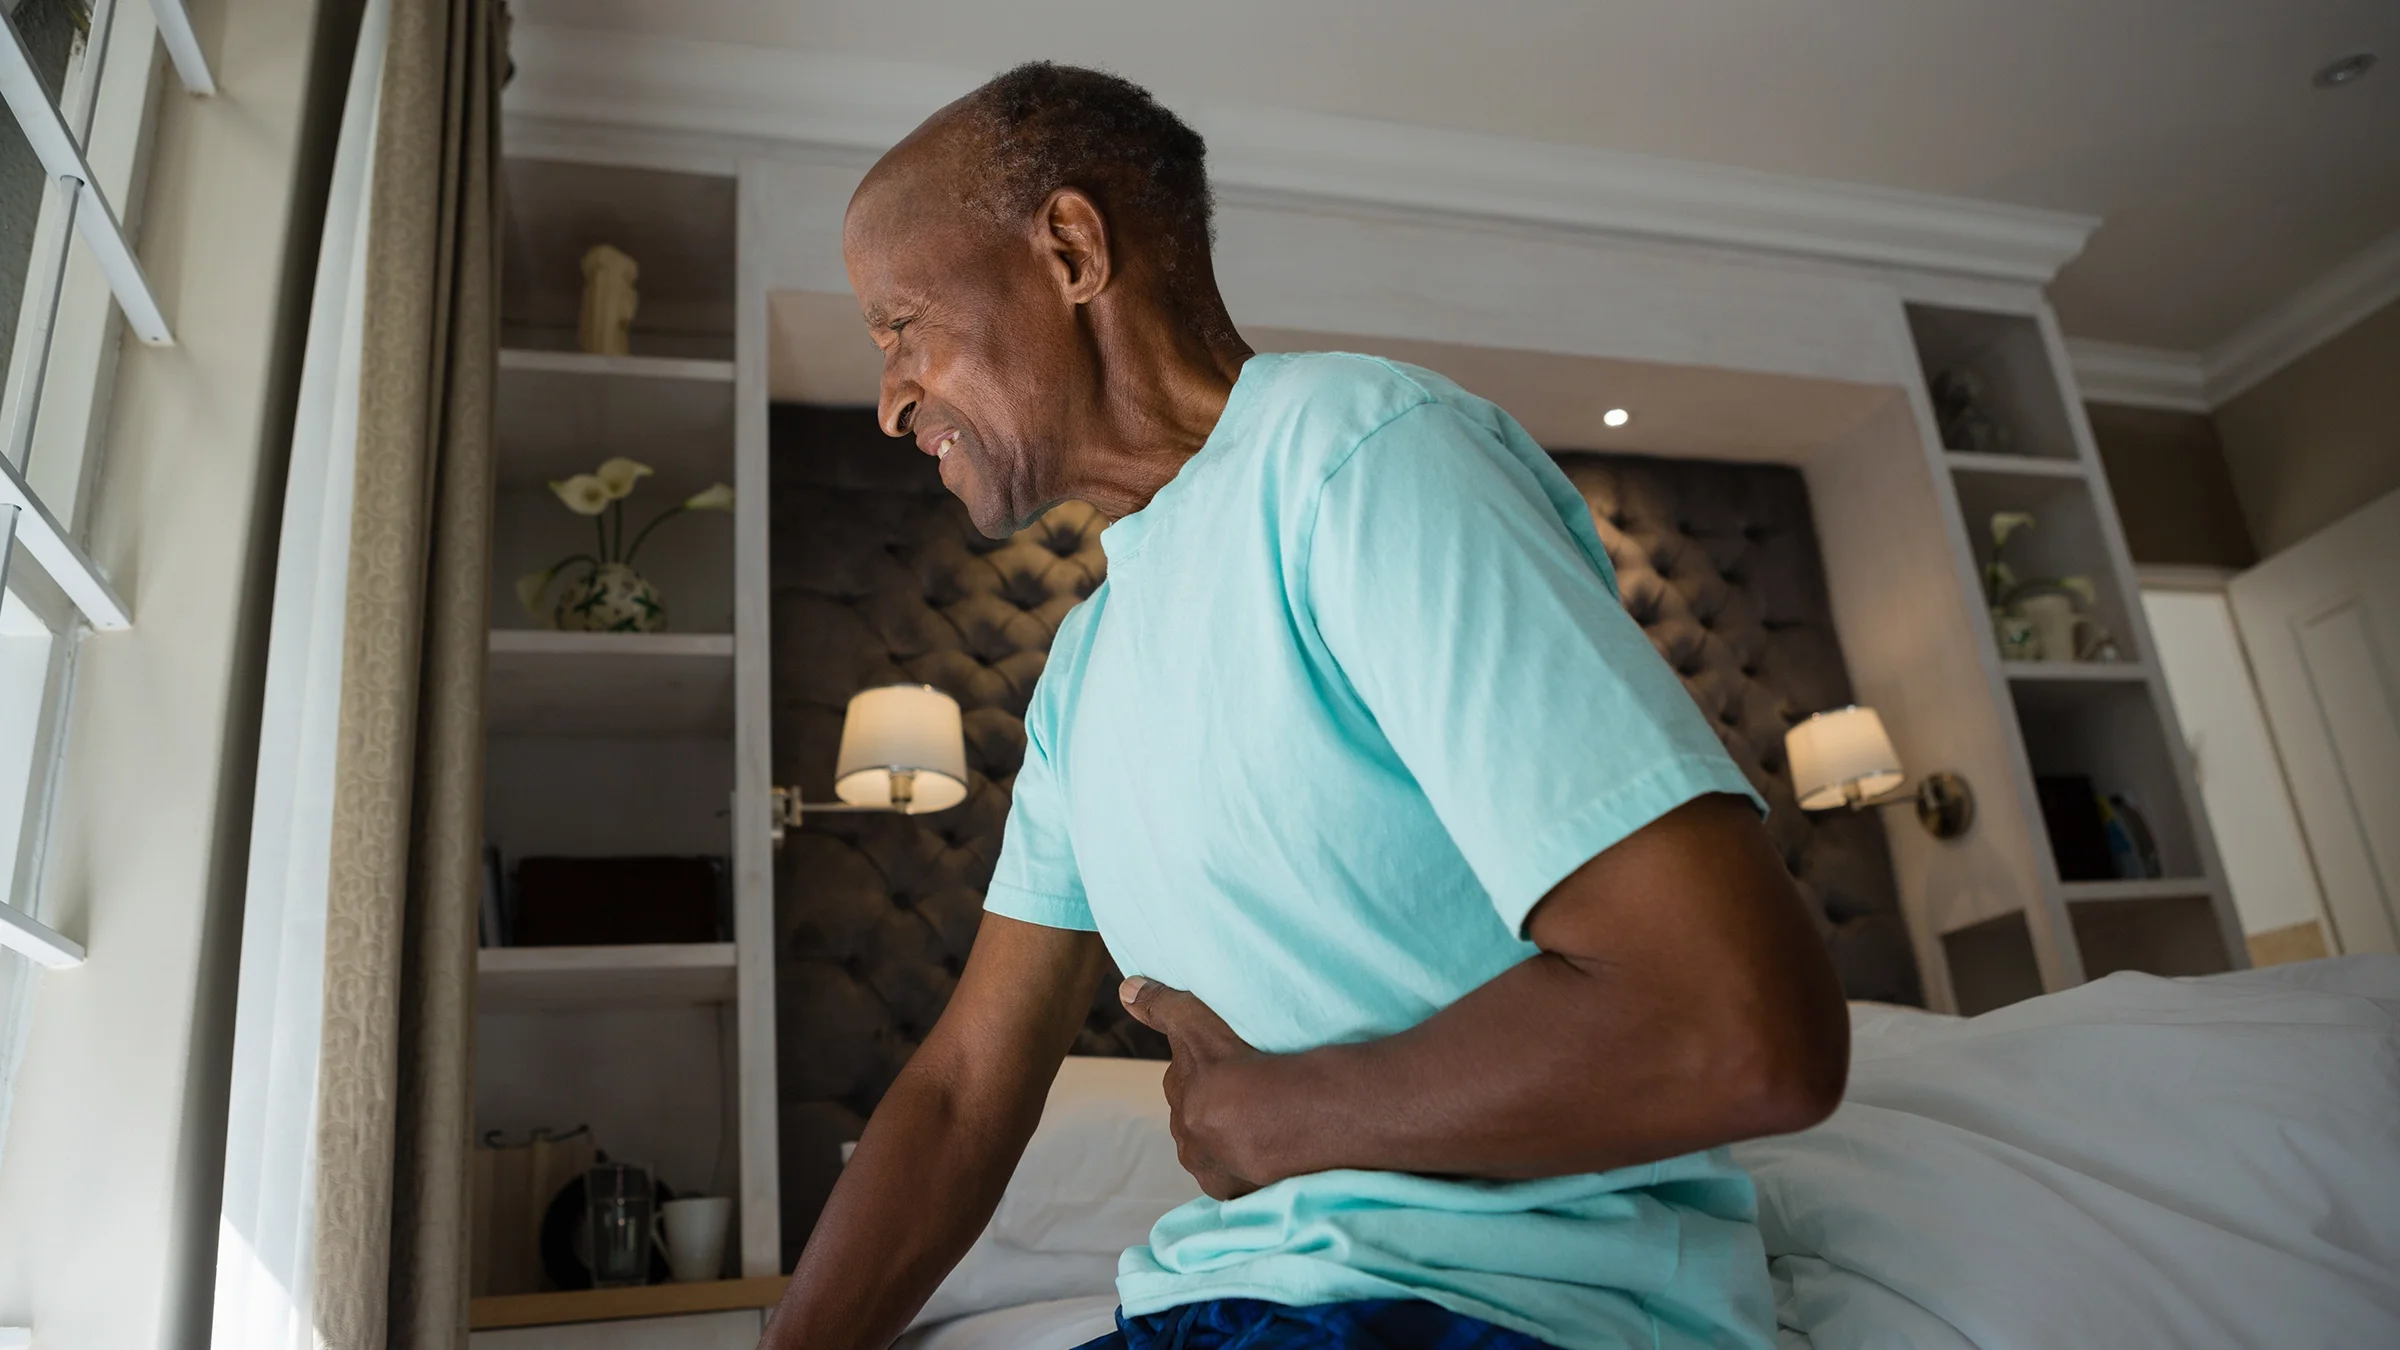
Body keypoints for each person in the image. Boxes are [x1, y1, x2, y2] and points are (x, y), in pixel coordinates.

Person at [762, 62, 1849, 1350]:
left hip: (1475, 1311)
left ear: (1067, 248)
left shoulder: (1361, 455)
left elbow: (1737, 1024)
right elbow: (958, 1093)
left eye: (898, 325)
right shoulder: (1085, 668)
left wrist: (1288, 1115)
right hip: (1215, 1310)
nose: (889, 397)